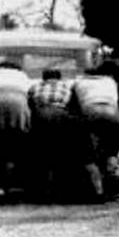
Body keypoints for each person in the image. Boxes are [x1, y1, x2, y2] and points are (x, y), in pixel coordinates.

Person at [70, 62, 119, 200]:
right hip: (112, 112)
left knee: (89, 154)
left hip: (90, 112)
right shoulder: (110, 81)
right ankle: (112, 184)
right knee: (111, 149)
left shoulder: (79, 82)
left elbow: (74, 105)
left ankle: (98, 191)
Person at [0, 61, 32, 199]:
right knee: (14, 144)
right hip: (19, 103)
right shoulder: (22, 75)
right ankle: (10, 183)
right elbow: (29, 92)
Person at [27, 68, 77, 200]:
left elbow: (30, 104)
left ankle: (42, 188)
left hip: (41, 115)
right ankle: (60, 186)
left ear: (43, 78)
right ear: (59, 77)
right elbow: (73, 105)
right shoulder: (66, 86)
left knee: (42, 151)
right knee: (60, 150)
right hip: (61, 116)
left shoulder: (35, 86)